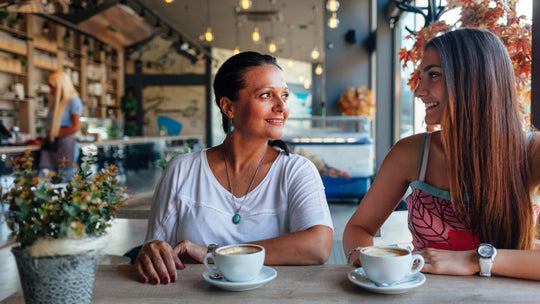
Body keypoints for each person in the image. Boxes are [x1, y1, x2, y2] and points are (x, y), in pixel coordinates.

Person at [343, 28, 540, 280]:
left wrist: (474, 259)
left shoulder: (533, 152)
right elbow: (358, 228)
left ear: (475, 79)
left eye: (433, 75)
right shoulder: (410, 153)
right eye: (420, 77)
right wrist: (364, 257)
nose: (418, 91)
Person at [136, 51, 334, 285]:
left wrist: (214, 254)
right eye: (266, 95)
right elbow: (157, 250)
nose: (282, 107)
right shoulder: (182, 170)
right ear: (229, 107)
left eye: (284, 96)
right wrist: (151, 252)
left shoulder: (296, 171)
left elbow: (318, 247)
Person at [39, 70, 83, 180]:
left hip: (65, 145)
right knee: (44, 180)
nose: (51, 90)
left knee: (65, 180)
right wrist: (44, 139)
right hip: (51, 144)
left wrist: (54, 134)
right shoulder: (57, 103)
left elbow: (75, 127)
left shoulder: (74, 101)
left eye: (53, 87)